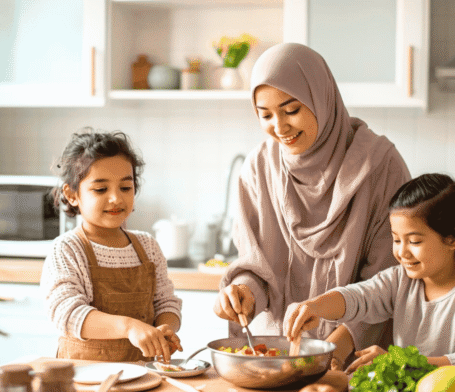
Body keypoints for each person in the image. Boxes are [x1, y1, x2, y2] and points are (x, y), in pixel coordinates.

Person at [212, 42, 412, 370]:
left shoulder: (380, 166)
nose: (280, 127)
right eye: (265, 114)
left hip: (354, 358)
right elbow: (256, 264)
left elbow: (389, 278)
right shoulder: (258, 168)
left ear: (321, 97)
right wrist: (242, 292)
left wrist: (332, 350)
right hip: (274, 356)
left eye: (291, 110)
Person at [283, 173, 455, 373]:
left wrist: (403, 363)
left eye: (414, 241)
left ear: (454, 238)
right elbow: (359, 297)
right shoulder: (399, 280)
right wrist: (314, 306)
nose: (402, 252)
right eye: (396, 239)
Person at [41, 128, 183, 362]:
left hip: (144, 376)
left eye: (125, 187)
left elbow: (166, 303)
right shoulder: (67, 249)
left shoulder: (148, 247)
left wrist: (166, 328)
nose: (116, 198)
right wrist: (129, 327)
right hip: (85, 379)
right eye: (100, 189)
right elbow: (67, 313)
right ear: (73, 194)